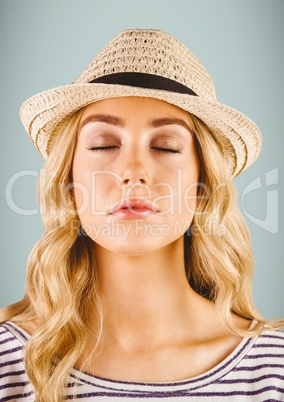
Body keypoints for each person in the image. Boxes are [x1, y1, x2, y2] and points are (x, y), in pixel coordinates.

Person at [0, 29, 283, 402]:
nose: (133, 171)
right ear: (69, 176)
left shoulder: (274, 367)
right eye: (104, 144)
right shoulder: (10, 361)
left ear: (203, 183)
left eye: (166, 147)